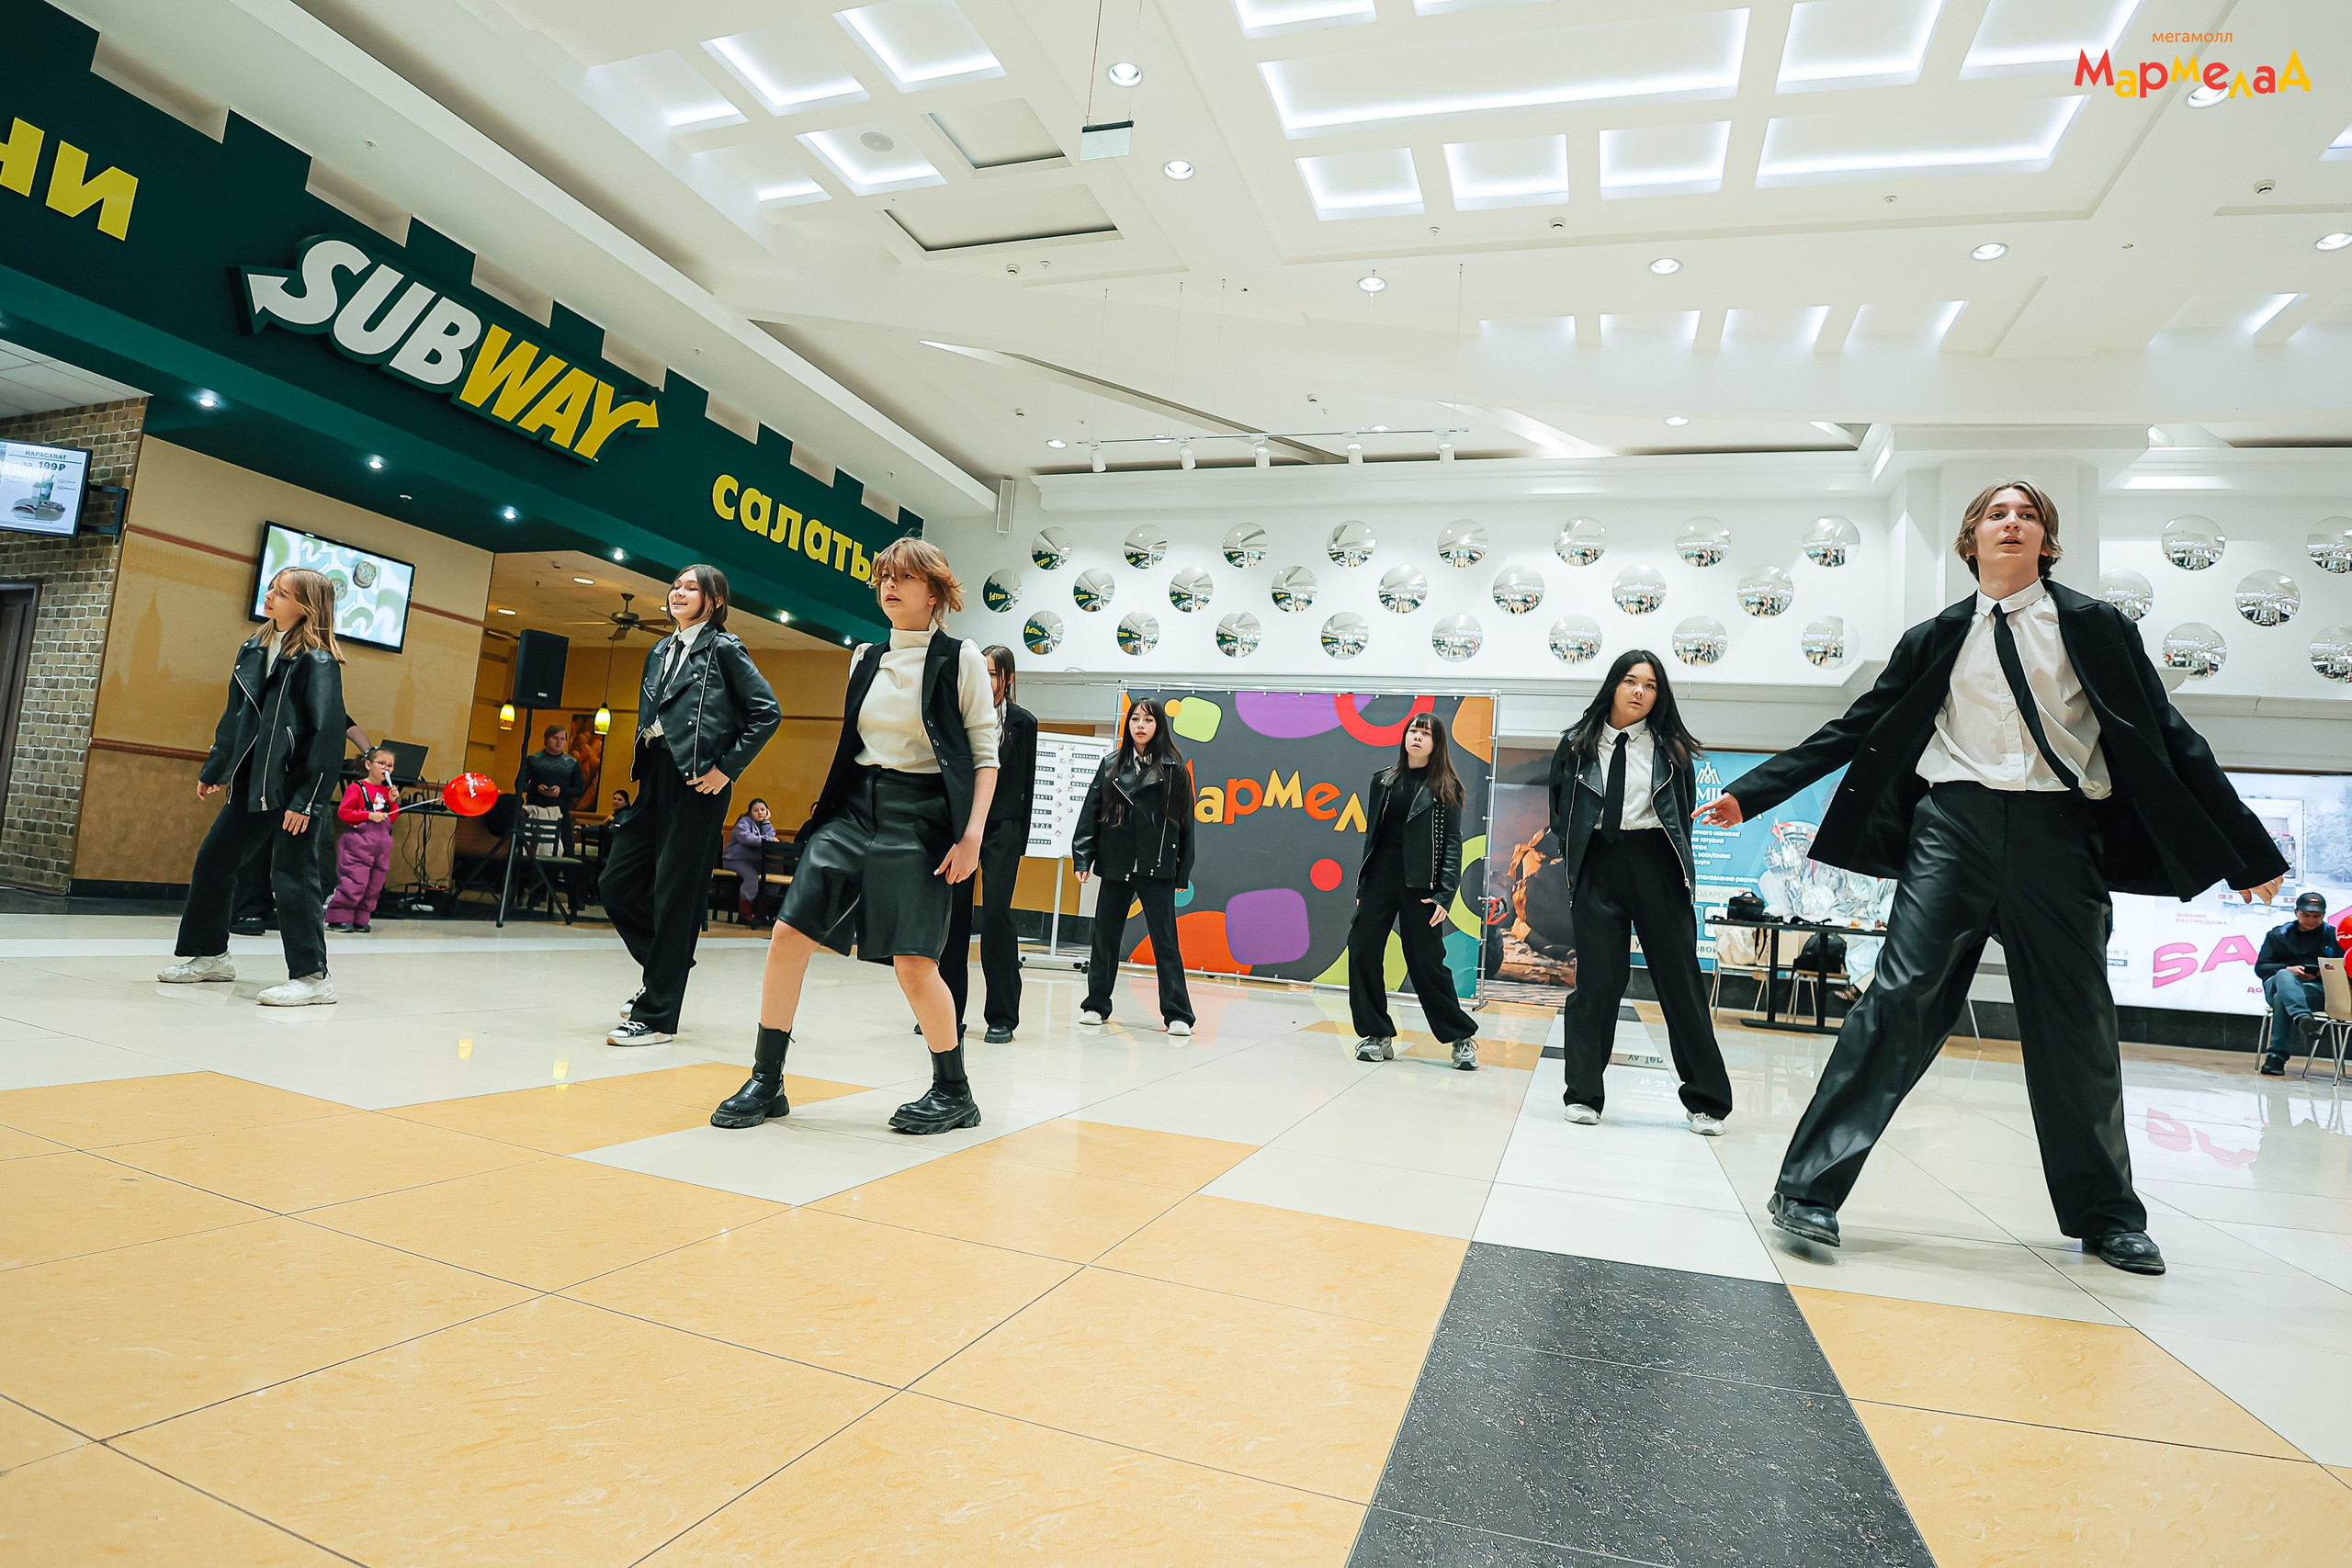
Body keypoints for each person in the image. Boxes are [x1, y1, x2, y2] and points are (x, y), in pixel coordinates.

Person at [1698, 479, 2287, 1276]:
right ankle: (1808, 1189)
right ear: (1971, 541)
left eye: (2029, 514)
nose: (2013, 523)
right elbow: (1857, 726)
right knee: (1898, 1003)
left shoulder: (2097, 626)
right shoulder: (1936, 635)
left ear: (2048, 541)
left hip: (2061, 835)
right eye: (1996, 514)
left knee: (2078, 1025)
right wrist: (1755, 790)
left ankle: (2108, 1216)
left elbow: (2169, 736)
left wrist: (2249, 852)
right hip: (1953, 829)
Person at [710, 538, 1000, 1134]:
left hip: (920, 815)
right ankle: (767, 1079)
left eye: (904, 577)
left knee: (914, 963)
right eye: (883, 577)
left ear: (935, 590)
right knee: (788, 933)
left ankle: (955, 1090)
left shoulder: (960, 658)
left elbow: (984, 754)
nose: (889, 586)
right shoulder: (866, 656)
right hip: (852, 809)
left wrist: (971, 834)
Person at [1550, 653, 1733, 1134]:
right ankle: (1584, 1094)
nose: (1639, 692)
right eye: (1630, 681)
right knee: (1597, 984)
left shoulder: (1671, 750)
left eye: (1650, 685)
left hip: (1657, 865)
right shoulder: (1575, 746)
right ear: (1613, 685)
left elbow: (1681, 812)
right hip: (1599, 863)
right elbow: (1560, 811)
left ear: (1659, 695)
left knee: (1680, 982)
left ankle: (1707, 1101)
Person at [604, 565, 780, 1045]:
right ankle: (670, 965)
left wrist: (726, 770)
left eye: (691, 588)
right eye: (676, 586)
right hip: (654, 776)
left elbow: (767, 712)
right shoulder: (659, 649)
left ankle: (657, 1015)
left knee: (676, 895)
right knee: (615, 883)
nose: (678, 593)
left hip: (700, 782)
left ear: (714, 601)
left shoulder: (724, 649)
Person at [160, 567, 349, 1006]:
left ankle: (313, 979)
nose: (270, 597)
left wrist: (306, 800)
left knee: (293, 875)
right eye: (273, 589)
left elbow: (327, 736)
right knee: (213, 861)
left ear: (306, 607)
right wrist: (215, 768)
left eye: (281, 594)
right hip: (254, 781)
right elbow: (237, 717)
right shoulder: (254, 646)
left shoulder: (317, 661)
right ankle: (210, 956)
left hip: (296, 788)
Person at [1348, 710, 1479, 1070]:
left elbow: (1453, 843)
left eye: (1425, 733)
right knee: (1361, 949)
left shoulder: (1446, 787)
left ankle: (1461, 1038)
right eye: (1412, 731)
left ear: (1436, 744)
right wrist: (1364, 882)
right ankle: (1376, 1034)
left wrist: (1445, 895)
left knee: (1426, 964)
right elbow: (1371, 837)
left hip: (1422, 887)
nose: (1417, 737)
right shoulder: (1383, 781)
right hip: (1379, 880)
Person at [1074, 698, 1197, 1035]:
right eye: (1135, 719)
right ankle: (1096, 1005)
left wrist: (1182, 870)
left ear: (1159, 726)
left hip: (1157, 865)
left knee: (1165, 942)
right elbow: (1091, 813)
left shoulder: (1174, 768)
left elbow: (1186, 823)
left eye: (1148, 720)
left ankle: (1177, 1014)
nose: (1140, 726)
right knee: (1105, 937)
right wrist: (1083, 857)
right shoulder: (1111, 765)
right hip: (1117, 860)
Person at [942, 644, 1037, 1044]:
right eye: (980, 673)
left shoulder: (1023, 722)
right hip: (962, 828)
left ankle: (1002, 1016)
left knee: (997, 915)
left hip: (1003, 831)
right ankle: (947, 1012)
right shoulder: (959, 717)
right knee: (954, 918)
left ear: (1008, 678)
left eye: (993, 673)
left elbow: (1027, 786)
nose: (986, 680)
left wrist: (1020, 840)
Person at [2256, 891, 2342, 1075]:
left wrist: (2324, 973)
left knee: (2283, 998)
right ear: (2297, 912)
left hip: (2315, 990)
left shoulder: (2333, 937)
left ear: (2323, 915)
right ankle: (2303, 1017)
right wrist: (2289, 969)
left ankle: (2276, 1059)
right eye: (2306, 915)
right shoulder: (2278, 935)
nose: (2311, 920)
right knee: (2283, 976)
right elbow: (2261, 968)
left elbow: (2344, 969)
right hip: (2278, 984)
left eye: (2316, 916)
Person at [326, 746, 401, 932]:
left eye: (390, 766)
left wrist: (393, 801)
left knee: (375, 883)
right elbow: (344, 812)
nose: (386, 768)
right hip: (359, 842)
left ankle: (362, 917)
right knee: (355, 880)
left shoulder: (386, 791)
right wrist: (368, 815)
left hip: (381, 844)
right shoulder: (356, 788)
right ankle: (340, 916)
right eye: (381, 763)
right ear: (368, 764)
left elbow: (392, 817)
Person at [518, 724, 586, 852]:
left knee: (567, 849)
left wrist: (561, 791)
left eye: (562, 739)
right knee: (529, 848)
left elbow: (579, 790)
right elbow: (519, 784)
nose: (559, 742)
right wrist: (536, 788)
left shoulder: (572, 763)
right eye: (555, 738)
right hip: (535, 811)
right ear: (546, 739)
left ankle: (560, 872)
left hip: (561, 811)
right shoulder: (533, 760)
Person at [723, 798, 781, 924]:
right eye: (756, 810)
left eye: (763, 810)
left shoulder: (765, 824)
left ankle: (760, 912)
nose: (760, 813)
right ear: (750, 812)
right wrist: (769, 839)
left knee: (776, 878)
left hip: (754, 862)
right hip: (736, 860)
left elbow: (771, 836)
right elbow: (747, 839)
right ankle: (745, 915)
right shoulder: (743, 822)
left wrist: (766, 822)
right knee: (751, 878)